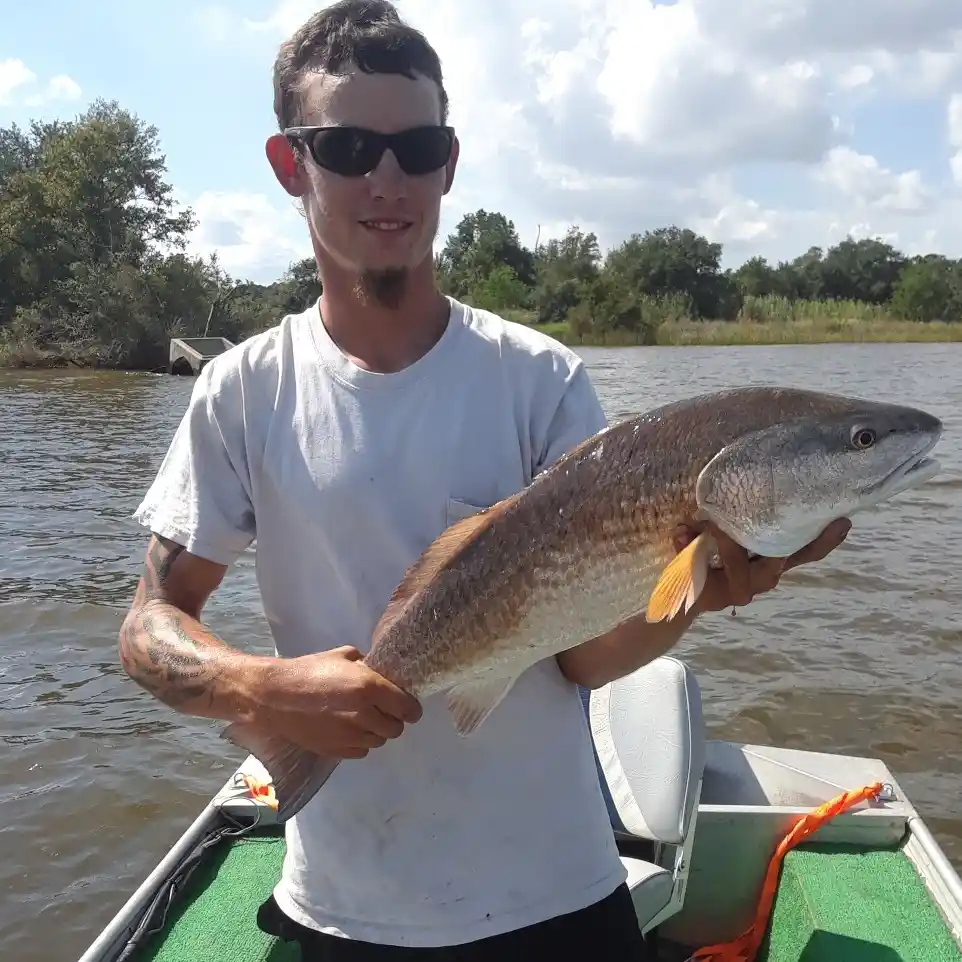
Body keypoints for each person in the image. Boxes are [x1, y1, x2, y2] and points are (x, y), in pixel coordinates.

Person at [117, 2, 851, 960]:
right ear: (290, 163)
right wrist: (263, 686)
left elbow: (578, 660)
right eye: (346, 147)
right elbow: (146, 626)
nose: (388, 178)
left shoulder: (539, 377)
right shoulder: (238, 393)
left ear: (449, 165)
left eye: (417, 147)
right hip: (345, 907)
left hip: (558, 894)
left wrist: (697, 594)